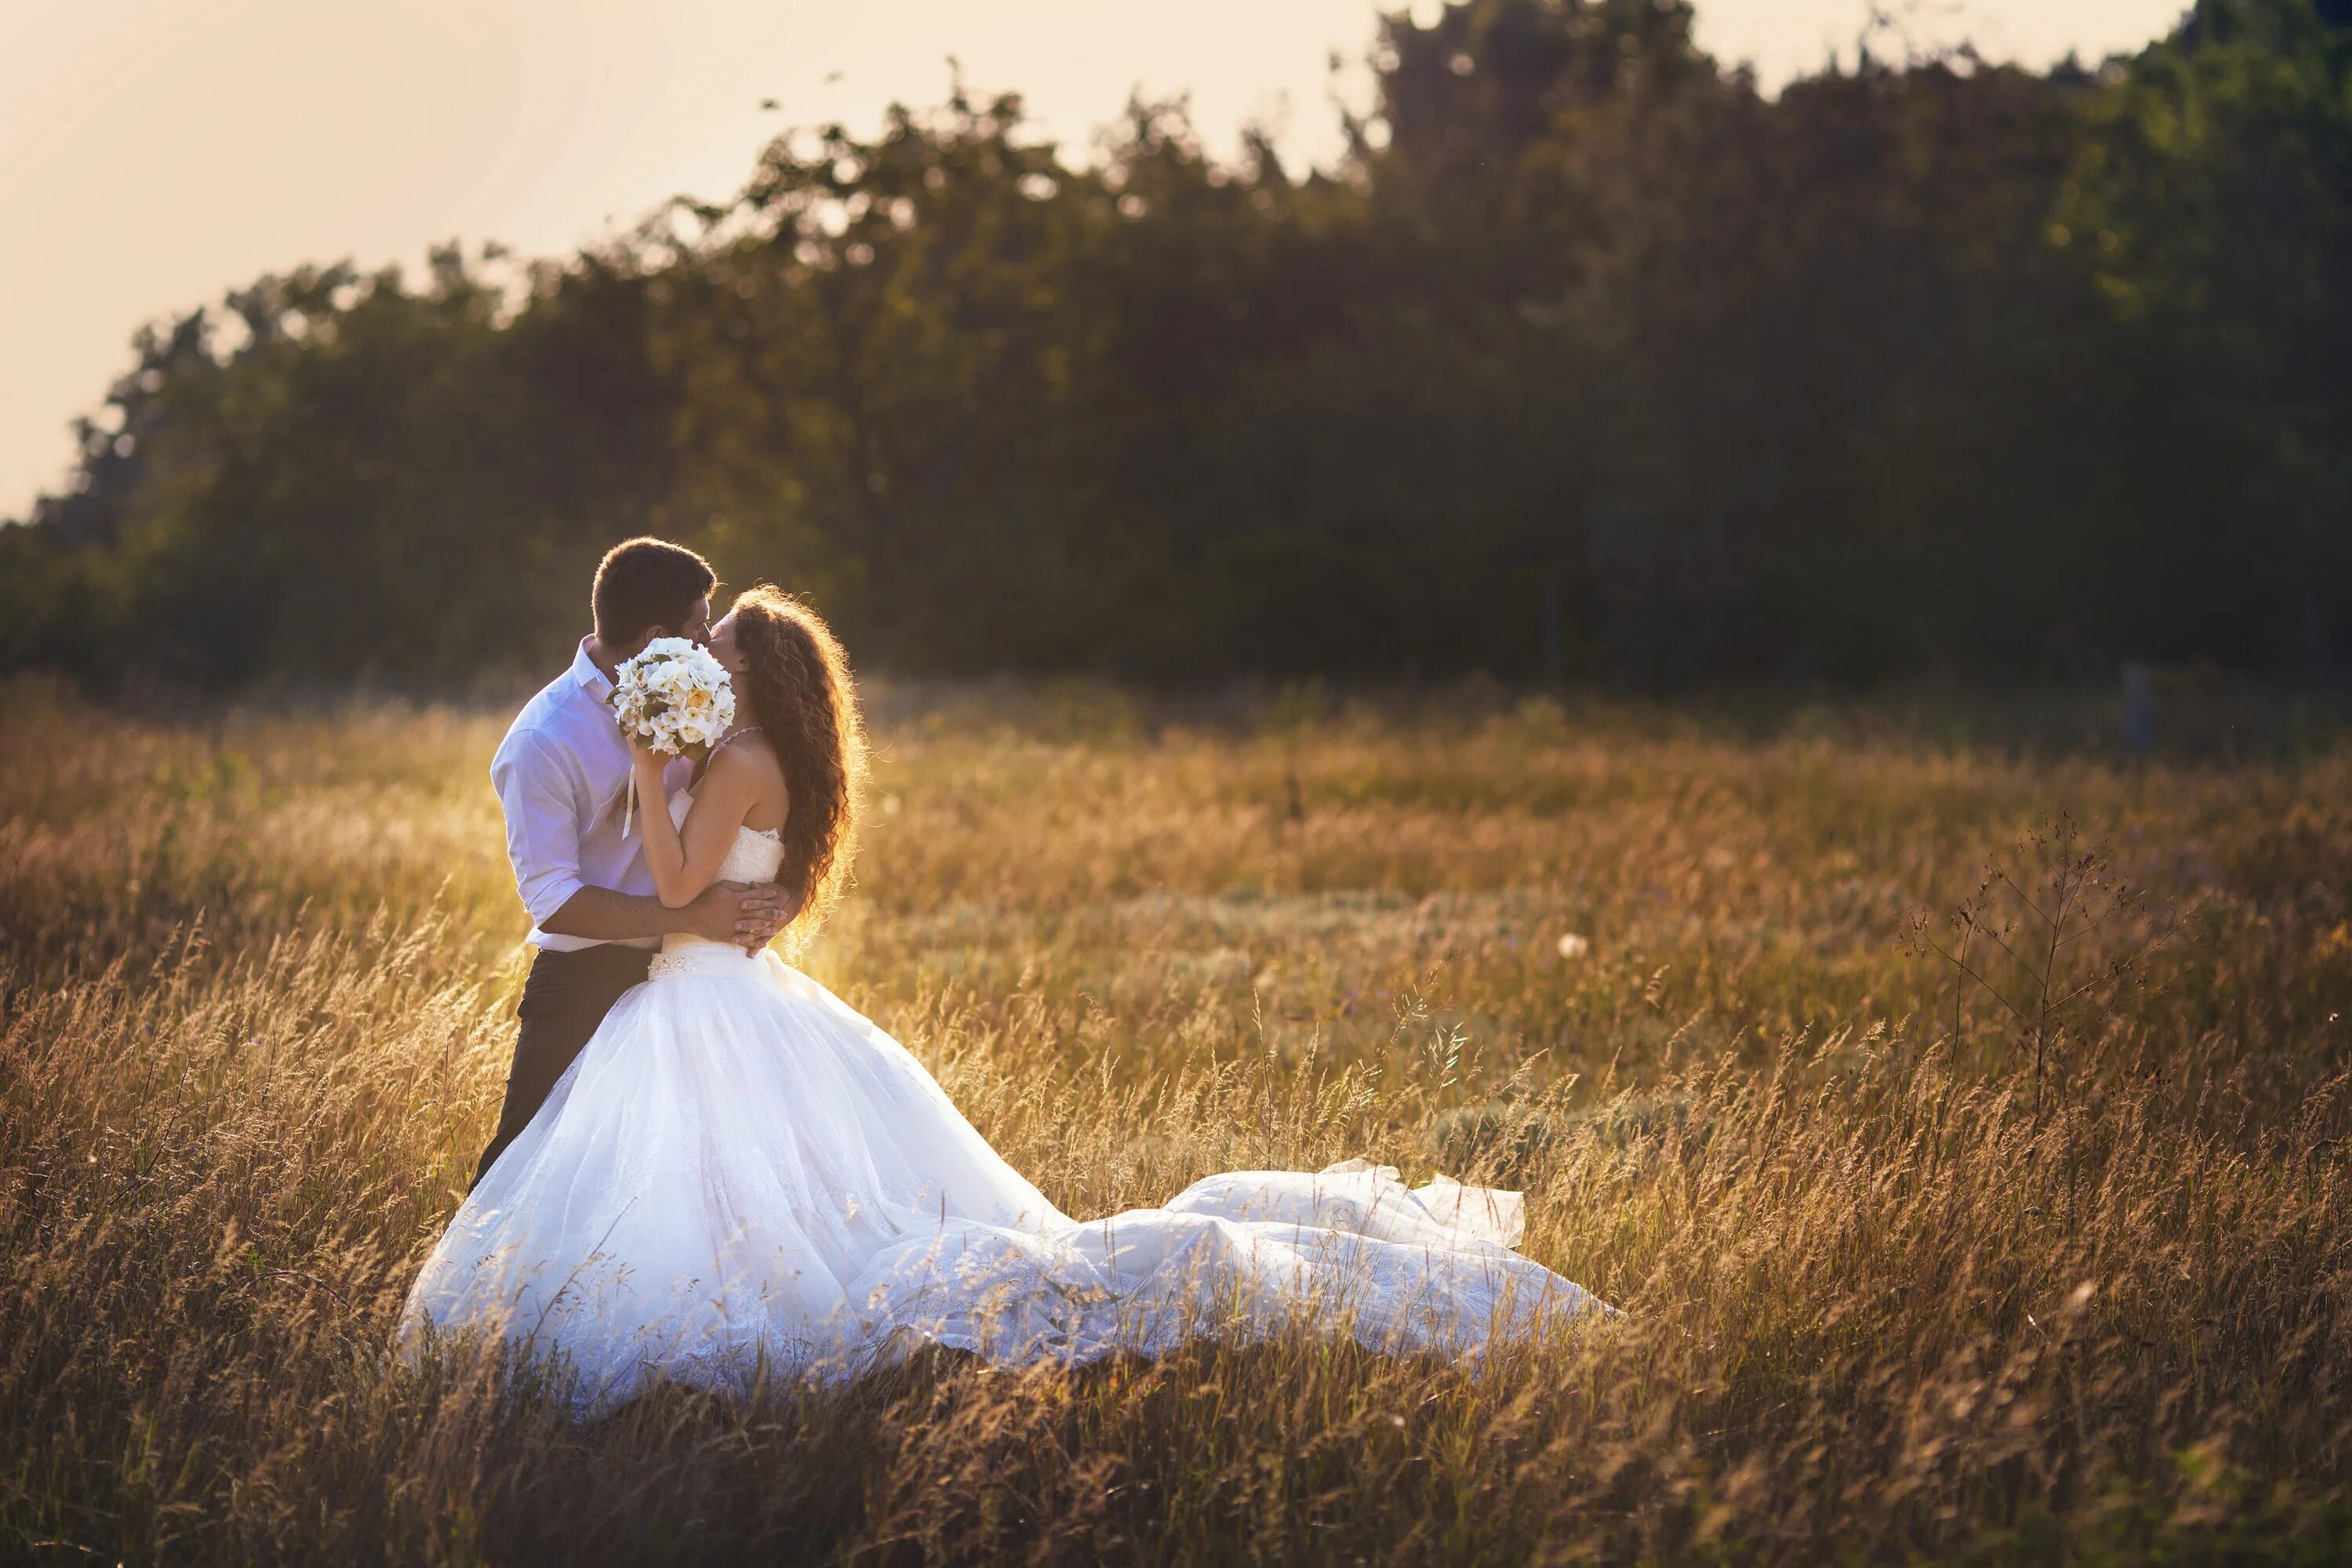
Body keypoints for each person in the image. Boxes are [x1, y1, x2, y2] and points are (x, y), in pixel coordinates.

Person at [405, 584, 1603, 1410]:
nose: (702, 664)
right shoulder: (769, 760)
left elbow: (675, 882)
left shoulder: (735, 766)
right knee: (771, 1186)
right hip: (719, 986)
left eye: (718, 654)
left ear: (754, 673)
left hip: (701, 989)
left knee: (732, 1187)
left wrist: (664, 766)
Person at [472, 537, 793, 1189]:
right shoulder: (544, 741)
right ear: (655, 638)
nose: (709, 644)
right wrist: (694, 916)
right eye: (700, 630)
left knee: (678, 1182)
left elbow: (777, 810)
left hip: (691, 982)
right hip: (585, 980)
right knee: (522, 1170)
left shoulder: (703, 699)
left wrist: (788, 892)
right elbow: (553, 899)